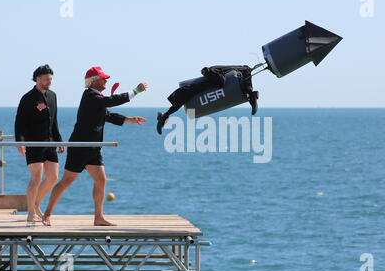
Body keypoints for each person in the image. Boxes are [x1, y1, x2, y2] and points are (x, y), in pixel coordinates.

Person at [42, 66, 147, 226]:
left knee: (101, 180)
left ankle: (98, 217)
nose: (106, 80)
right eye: (103, 78)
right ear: (94, 81)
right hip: (79, 147)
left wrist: (129, 119)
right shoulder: (90, 96)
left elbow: (107, 115)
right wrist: (135, 91)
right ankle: (47, 214)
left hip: (93, 148)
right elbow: (110, 102)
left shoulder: (96, 98)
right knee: (66, 181)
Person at [14, 64, 65, 222]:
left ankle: (36, 204)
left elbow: (54, 121)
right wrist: (21, 142)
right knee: (36, 177)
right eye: (46, 79)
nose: (49, 82)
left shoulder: (53, 96)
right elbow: (20, 122)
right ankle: (30, 214)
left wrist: (59, 140)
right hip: (34, 144)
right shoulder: (28, 98)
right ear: (38, 79)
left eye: (51, 79)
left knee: (53, 177)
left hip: (50, 144)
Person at [156, 65, 259, 134]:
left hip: (220, 76)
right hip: (208, 79)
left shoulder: (239, 71)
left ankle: (252, 97)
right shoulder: (213, 74)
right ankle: (163, 117)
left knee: (244, 73)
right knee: (184, 97)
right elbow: (221, 81)